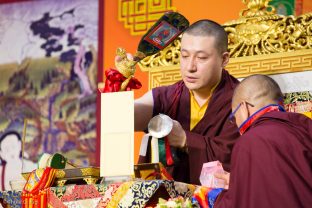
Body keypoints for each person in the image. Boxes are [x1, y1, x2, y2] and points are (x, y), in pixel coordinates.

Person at [133, 19, 240, 185]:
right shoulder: (168, 96)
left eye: (201, 58)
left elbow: (242, 159)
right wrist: (118, 87)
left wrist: (185, 139)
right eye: (184, 56)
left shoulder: (241, 100)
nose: (190, 67)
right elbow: (125, 120)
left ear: (224, 59)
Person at [214, 74, 312, 207]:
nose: (236, 124)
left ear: (244, 107)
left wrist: (216, 197)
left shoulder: (250, 141)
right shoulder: (306, 126)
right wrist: (239, 183)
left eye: (234, 117)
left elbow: (239, 203)